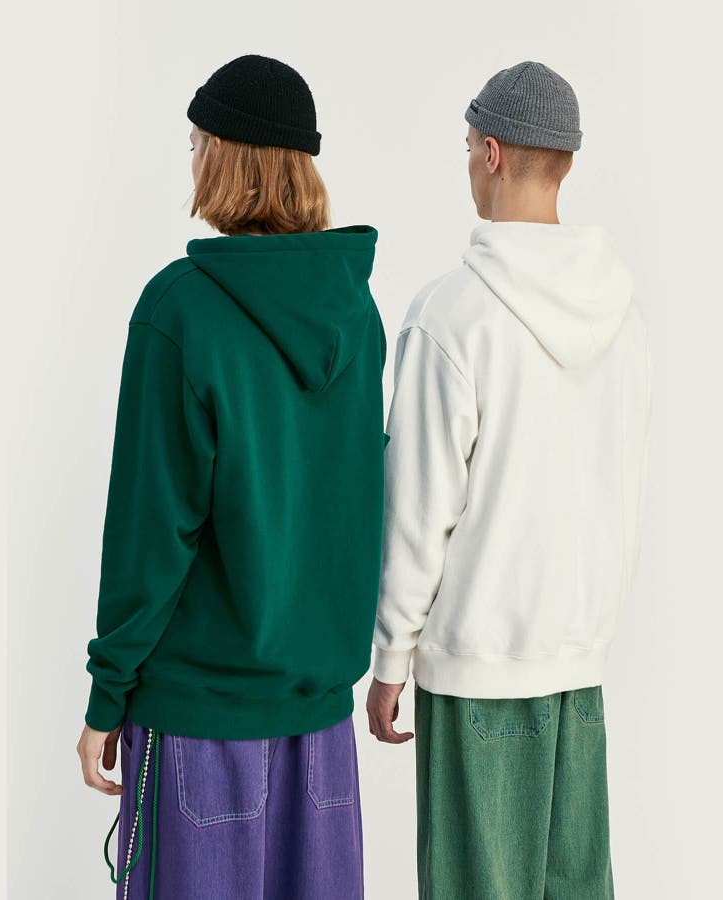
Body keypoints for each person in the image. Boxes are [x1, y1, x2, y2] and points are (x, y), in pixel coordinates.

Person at [76, 54, 386, 899]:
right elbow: (358, 504)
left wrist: (107, 693)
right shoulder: (356, 314)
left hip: (199, 721)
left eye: (196, 143)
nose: (192, 161)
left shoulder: (180, 308)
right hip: (321, 732)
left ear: (224, 154)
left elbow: (152, 526)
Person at [366, 61, 652, 899]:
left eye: (467, 147)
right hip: (578, 672)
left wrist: (391, 657)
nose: (467, 163)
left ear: (491, 153)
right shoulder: (624, 319)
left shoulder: (453, 316)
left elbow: (418, 510)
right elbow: (624, 486)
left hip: (478, 673)